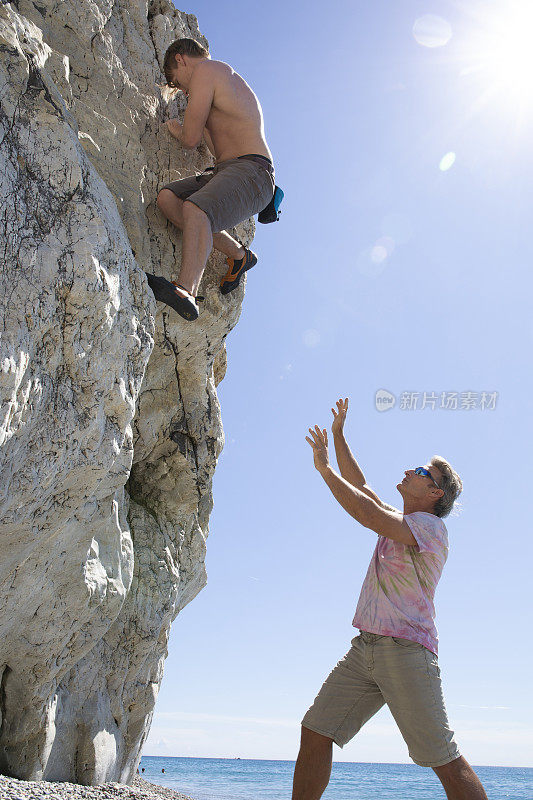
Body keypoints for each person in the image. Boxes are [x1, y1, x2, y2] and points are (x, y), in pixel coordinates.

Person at [296, 398, 488, 800]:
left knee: (443, 759)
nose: (408, 470)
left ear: (435, 491)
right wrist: (338, 436)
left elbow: (365, 512)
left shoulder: (432, 530)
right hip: (364, 648)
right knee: (316, 729)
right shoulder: (401, 523)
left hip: (406, 652)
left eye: (421, 472)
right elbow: (362, 489)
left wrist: (324, 470)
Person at [146, 38, 275, 321]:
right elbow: (212, 147)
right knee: (169, 200)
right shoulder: (213, 88)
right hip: (228, 171)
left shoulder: (209, 70)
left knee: (196, 207)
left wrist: (176, 129)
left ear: (181, 59)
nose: (180, 89)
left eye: (176, 82)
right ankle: (240, 257)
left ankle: (185, 291)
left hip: (252, 171)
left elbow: (189, 139)